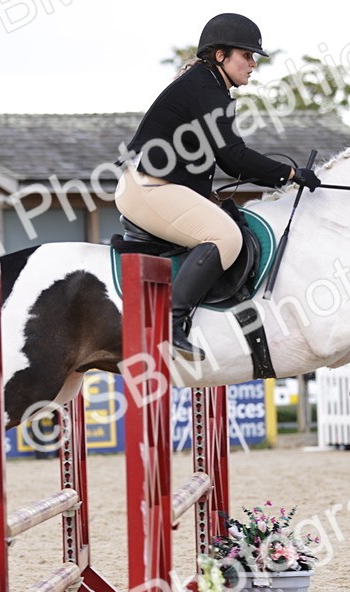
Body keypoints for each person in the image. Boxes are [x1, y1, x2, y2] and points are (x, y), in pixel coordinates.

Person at [115, 12, 320, 360]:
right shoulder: (207, 89)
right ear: (221, 55)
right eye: (247, 55)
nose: (253, 64)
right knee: (226, 237)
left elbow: (225, 161)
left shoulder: (207, 84)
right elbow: (234, 158)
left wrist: (282, 177)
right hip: (148, 188)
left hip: (152, 184)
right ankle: (172, 323)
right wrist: (289, 174)